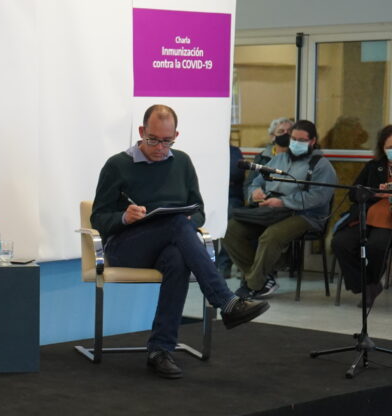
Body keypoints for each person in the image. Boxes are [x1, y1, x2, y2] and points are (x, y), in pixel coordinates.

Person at [91, 104, 270, 379]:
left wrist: (190, 221)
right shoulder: (118, 165)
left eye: (167, 141)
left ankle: (160, 350)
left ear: (176, 135)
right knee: (176, 224)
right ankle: (225, 301)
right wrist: (124, 217)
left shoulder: (182, 162)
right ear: (141, 132)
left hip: (167, 244)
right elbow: (98, 218)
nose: (160, 148)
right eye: (153, 140)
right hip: (126, 247)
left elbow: (198, 210)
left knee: (177, 257)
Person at [224, 120, 337, 299]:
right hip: (271, 212)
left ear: (313, 141)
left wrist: (283, 202)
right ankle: (262, 279)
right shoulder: (279, 159)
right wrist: (255, 193)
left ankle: (254, 285)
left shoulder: (321, 165)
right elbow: (256, 182)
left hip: (306, 216)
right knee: (231, 229)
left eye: (301, 140)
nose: (296, 143)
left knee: (271, 236)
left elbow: (318, 197)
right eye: (294, 139)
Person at [331, 124, 392, 308]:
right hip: (366, 214)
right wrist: (372, 192)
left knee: (376, 246)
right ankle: (367, 286)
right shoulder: (374, 166)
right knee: (340, 242)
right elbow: (353, 193)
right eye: (390, 147)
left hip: (388, 220)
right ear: (382, 148)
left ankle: (370, 284)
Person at [243, 117, 293, 201]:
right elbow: (249, 184)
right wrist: (254, 195)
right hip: (263, 202)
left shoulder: (297, 158)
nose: (286, 134)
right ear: (272, 136)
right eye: (281, 131)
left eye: (289, 131)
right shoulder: (262, 157)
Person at [215, 144, 245, 278]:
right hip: (207, 195)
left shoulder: (233, 151)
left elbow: (235, 171)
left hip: (230, 197)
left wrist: (215, 177)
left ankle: (224, 264)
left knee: (229, 218)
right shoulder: (205, 150)